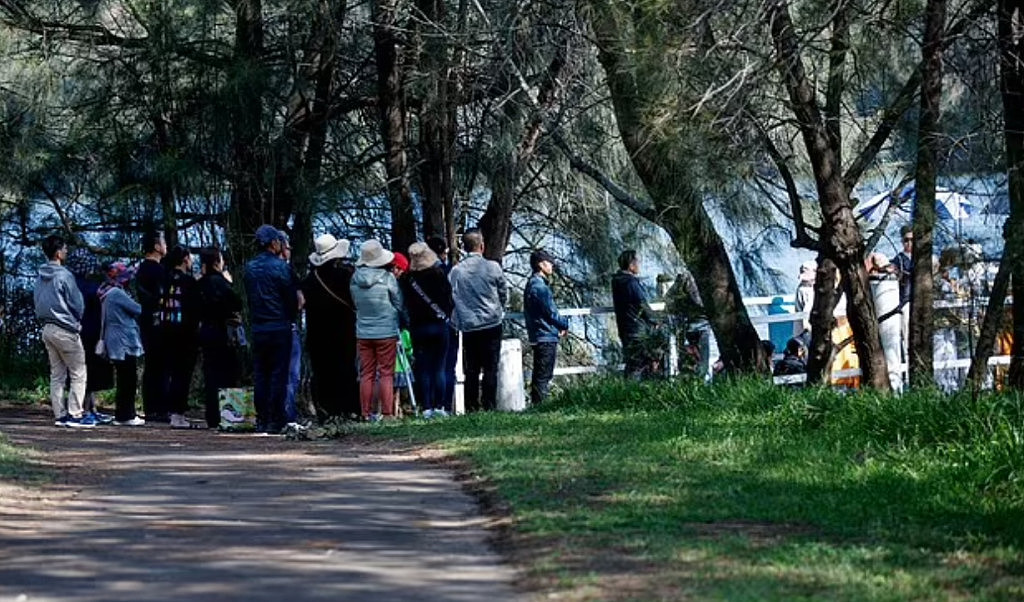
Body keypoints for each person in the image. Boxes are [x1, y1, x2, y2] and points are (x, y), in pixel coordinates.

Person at [34, 234, 94, 428]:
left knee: (57, 374)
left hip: (47, 328)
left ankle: (60, 415)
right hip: (65, 328)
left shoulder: (40, 276)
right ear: (59, 253)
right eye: (65, 249)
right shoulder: (64, 275)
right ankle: (75, 414)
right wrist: (77, 318)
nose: (67, 252)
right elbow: (77, 303)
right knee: (78, 372)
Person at [244, 224, 298, 433]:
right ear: (274, 243)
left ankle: (261, 419)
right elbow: (290, 298)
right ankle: (276, 419)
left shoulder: (249, 268)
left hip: (259, 327)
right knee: (278, 374)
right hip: (279, 325)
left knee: (261, 373)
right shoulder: (281, 267)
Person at [301, 233, 358, 421]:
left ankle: (327, 410)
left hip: (317, 335)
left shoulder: (310, 279)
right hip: (344, 332)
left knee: (323, 373)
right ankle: (349, 409)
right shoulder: (347, 275)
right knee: (346, 370)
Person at [449, 229, 507, 412]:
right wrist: (499, 307)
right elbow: (503, 291)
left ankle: (471, 406)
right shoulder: (493, 267)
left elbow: (451, 296)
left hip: (469, 326)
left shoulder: (456, 272)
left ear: (464, 247)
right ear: (482, 246)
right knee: (491, 367)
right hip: (491, 323)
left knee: (471, 369)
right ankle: (489, 405)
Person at [350, 239, 404, 420]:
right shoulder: (388, 278)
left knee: (366, 373)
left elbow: (355, 303)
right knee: (386, 373)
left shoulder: (354, 279)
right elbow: (398, 302)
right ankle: (387, 413)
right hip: (386, 331)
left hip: (363, 331)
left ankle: (366, 413)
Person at [400, 242, 454, 417]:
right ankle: (440, 406)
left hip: (418, 327)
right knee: (439, 367)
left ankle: (426, 407)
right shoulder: (440, 275)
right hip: (439, 325)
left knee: (423, 368)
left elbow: (405, 305)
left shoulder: (408, 280)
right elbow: (449, 300)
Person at [196, 247, 243, 428]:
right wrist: (228, 282)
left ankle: (212, 416)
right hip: (222, 331)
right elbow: (235, 302)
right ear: (217, 262)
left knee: (210, 374)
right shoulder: (220, 283)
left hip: (205, 330)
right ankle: (229, 415)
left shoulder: (200, 284)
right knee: (227, 374)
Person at [67, 247, 114, 423]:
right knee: (87, 372)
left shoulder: (69, 285)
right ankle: (85, 409)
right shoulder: (92, 288)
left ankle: (90, 407)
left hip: (74, 332)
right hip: (91, 334)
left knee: (80, 372)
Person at [98, 262, 146, 426]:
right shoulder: (117, 293)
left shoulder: (106, 292)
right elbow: (138, 309)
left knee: (124, 378)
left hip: (115, 339)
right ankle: (127, 415)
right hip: (123, 341)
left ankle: (123, 413)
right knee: (128, 378)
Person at [160, 245, 200, 429]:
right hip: (185, 334)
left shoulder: (165, 279)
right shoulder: (188, 282)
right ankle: (178, 413)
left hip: (166, 331)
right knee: (182, 374)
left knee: (170, 372)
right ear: (185, 259)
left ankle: (168, 409)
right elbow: (194, 309)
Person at [523, 249, 568, 405]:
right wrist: (564, 324)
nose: (552, 266)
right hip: (545, 334)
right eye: (550, 263)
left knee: (540, 375)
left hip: (540, 333)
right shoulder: (539, 287)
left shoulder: (533, 284)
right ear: (541, 265)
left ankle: (537, 405)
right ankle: (540, 406)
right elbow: (550, 312)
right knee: (543, 376)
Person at [135, 231, 168, 422]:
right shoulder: (158, 270)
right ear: (156, 246)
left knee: (152, 365)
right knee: (161, 366)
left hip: (146, 321)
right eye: (163, 242)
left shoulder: (141, 270)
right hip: (159, 321)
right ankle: (161, 408)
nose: (165, 245)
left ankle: (151, 407)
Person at [611, 249, 657, 379]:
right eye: (637, 261)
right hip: (637, 328)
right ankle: (635, 392)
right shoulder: (630, 282)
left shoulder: (617, 282)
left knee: (632, 362)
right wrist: (655, 320)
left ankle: (629, 392)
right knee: (639, 364)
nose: (639, 265)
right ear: (631, 265)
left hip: (625, 327)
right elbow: (641, 303)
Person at [276, 230, 305, 426]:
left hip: (264, 326)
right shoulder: (287, 272)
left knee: (270, 373)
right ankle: (288, 414)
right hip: (287, 326)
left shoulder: (255, 269)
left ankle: (272, 415)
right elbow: (300, 301)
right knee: (290, 374)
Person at [427, 235, 459, 413]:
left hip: (423, 325)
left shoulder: (415, 275)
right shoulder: (448, 273)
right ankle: (445, 404)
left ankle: (429, 404)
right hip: (447, 324)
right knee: (447, 367)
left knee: (429, 366)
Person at [867, 252, 903, 393]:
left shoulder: (884, 282)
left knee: (889, 348)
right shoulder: (885, 281)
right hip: (886, 316)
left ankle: (892, 386)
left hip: (886, 314)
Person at [891, 225, 913, 361]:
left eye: (912, 240)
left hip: (921, 302)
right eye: (906, 240)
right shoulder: (899, 259)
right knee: (907, 335)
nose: (909, 243)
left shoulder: (923, 259)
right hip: (906, 301)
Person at [793, 259, 816, 341]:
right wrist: (807, 327)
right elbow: (807, 310)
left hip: (799, 330)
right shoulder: (808, 290)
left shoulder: (800, 288)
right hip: (807, 330)